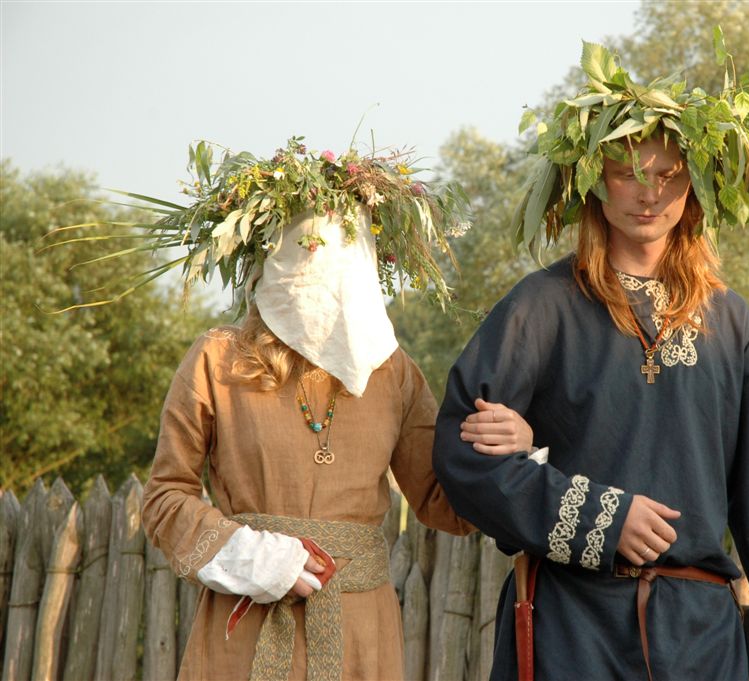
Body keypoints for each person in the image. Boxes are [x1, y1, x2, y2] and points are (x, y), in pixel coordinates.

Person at [433, 42, 749, 681]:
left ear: (697, 184)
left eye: (669, 174)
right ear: (591, 180)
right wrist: (601, 520)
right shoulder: (542, 307)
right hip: (571, 634)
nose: (649, 193)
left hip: (701, 639)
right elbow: (463, 454)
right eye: (628, 171)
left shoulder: (730, 323)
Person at [70, 136, 536, 680]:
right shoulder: (217, 360)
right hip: (245, 630)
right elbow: (165, 499)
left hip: (361, 635)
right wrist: (258, 559)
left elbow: (443, 502)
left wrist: (514, 453)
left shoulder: (393, 372)